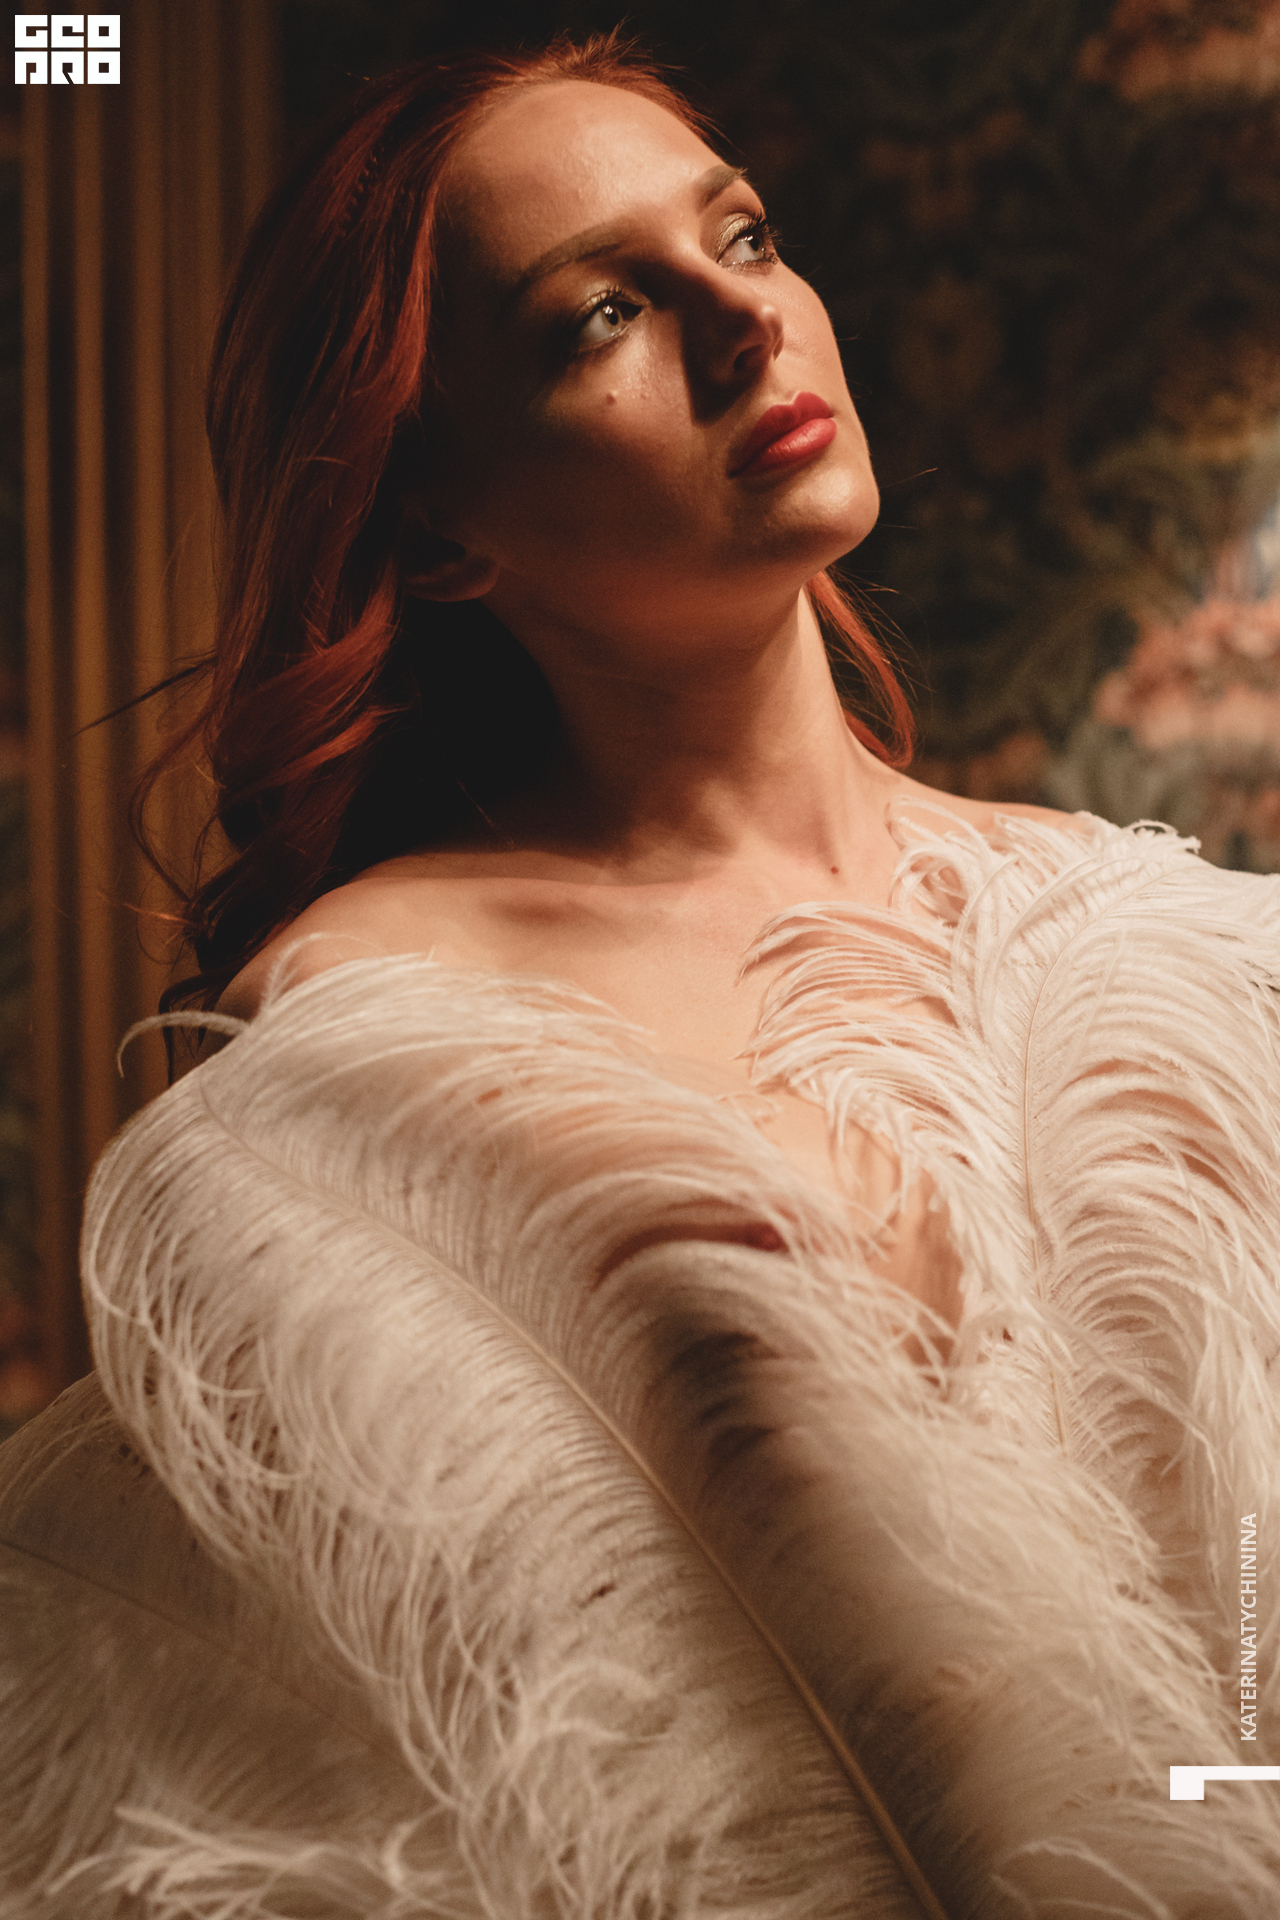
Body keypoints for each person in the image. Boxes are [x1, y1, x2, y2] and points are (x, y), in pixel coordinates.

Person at [3, 34, 1280, 1920]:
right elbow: (437, 1743)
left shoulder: (1155, 933)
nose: (744, 318)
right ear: (438, 524)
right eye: (601, 312)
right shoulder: (375, 1019)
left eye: (743, 236)